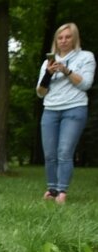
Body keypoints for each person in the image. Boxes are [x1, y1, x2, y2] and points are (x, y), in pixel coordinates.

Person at [36, 22, 95, 204]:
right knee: (50, 153)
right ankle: (52, 190)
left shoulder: (86, 57)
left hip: (74, 109)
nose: (63, 41)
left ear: (74, 38)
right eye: (60, 37)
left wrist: (66, 70)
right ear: (56, 40)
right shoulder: (48, 62)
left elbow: (85, 84)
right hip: (51, 110)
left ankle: (62, 192)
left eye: (68, 37)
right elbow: (40, 92)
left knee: (64, 151)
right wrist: (48, 73)